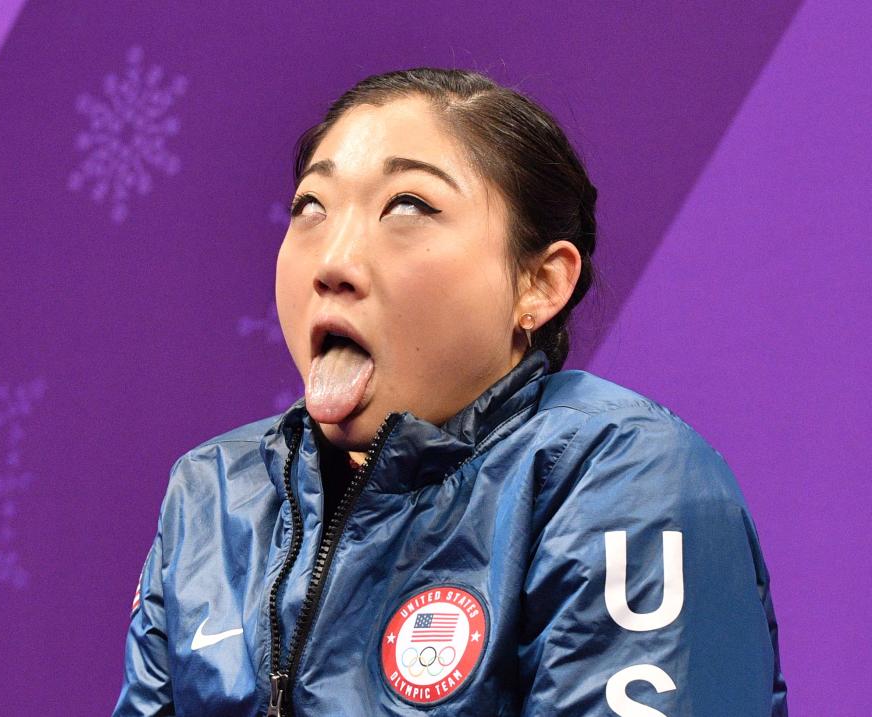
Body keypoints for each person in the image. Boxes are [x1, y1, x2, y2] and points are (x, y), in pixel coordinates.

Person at [113, 68, 788, 716]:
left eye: (407, 205)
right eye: (310, 206)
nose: (334, 261)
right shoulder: (213, 489)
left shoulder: (623, 476)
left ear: (539, 284)